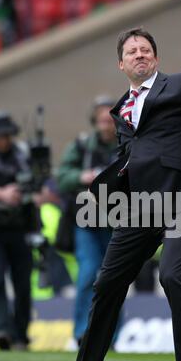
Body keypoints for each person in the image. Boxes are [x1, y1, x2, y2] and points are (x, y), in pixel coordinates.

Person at [45, 27, 181, 361]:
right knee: (106, 283)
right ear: (121, 63)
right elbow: (130, 156)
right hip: (140, 206)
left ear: (155, 57)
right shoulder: (120, 108)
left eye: (146, 49)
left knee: (171, 276)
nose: (140, 54)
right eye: (132, 51)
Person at [55, 96, 118, 347]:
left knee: (114, 279)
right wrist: (85, 176)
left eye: (110, 118)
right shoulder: (81, 146)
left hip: (116, 222)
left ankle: (111, 336)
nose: (106, 123)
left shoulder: (128, 144)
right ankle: (82, 331)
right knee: (87, 274)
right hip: (86, 222)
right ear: (95, 121)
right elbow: (62, 178)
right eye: (101, 119)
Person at [0, 111, 40, 350]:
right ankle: (1, 330)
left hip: (20, 228)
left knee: (23, 282)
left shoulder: (23, 156)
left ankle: (21, 335)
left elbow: (41, 185)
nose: (4, 140)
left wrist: (28, 193)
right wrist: (3, 194)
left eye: (7, 135)